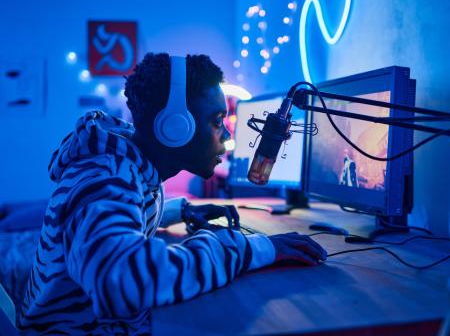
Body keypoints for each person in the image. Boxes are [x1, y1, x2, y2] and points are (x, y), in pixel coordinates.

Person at [19, 53, 327, 335]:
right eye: (217, 121)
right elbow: (124, 279)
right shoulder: (106, 178)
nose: (228, 134)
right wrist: (250, 249)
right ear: (175, 127)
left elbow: (116, 213)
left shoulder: (125, 169)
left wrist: (179, 210)